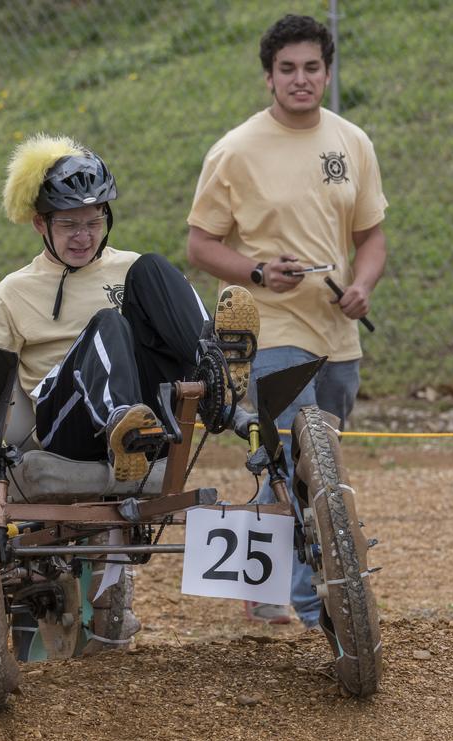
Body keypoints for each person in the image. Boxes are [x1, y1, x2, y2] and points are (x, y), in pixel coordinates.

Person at [186, 13, 388, 628]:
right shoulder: (236, 149)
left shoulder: (352, 142)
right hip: (268, 329)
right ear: (269, 77)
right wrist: (255, 273)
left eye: (312, 68)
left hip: (337, 333)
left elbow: (372, 235)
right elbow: (200, 244)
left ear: (327, 73)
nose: (301, 79)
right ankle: (313, 601)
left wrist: (362, 285)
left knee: (319, 462)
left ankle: (268, 584)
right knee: (288, 456)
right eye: (287, 69)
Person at [0, 134, 258, 483]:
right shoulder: (11, 292)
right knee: (108, 322)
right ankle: (122, 425)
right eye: (69, 225)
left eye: (93, 223)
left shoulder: (130, 268)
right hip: (68, 429)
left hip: (152, 419)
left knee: (153, 267)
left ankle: (217, 374)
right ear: (40, 223)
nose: (83, 237)